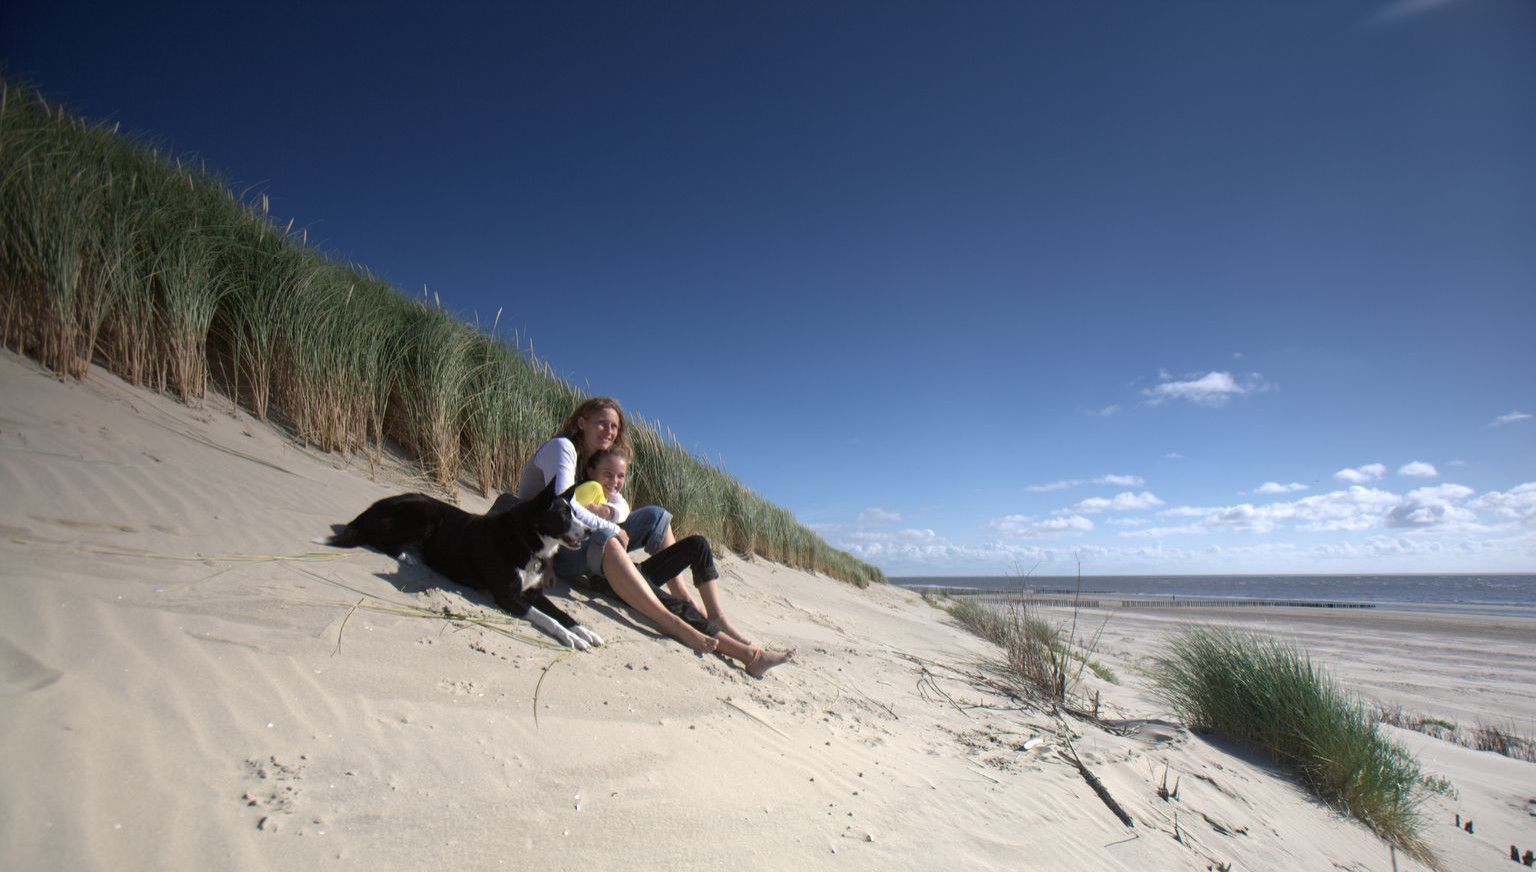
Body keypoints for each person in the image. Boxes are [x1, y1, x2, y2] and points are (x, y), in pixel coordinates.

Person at [508, 397, 793, 678]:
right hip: (549, 550)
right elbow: (563, 507)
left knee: (657, 515)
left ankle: (685, 596)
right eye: (602, 424)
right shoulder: (564, 448)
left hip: (582, 544)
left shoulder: (597, 463)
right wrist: (612, 527)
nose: (609, 431)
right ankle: (674, 622)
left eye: (614, 427)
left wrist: (608, 511)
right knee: (609, 535)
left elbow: (622, 506)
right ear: (582, 423)